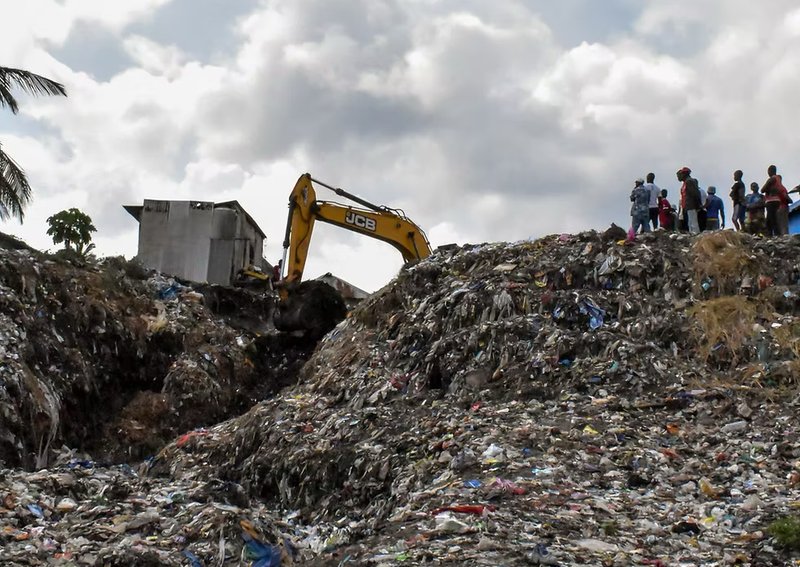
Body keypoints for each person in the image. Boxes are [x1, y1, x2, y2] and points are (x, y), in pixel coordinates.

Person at [677, 167, 702, 234]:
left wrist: (698, 204)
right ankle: (692, 234)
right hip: (687, 205)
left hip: (691, 205)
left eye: (682, 174)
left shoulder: (690, 181)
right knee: (690, 223)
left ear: (685, 174)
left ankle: (696, 235)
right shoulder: (685, 182)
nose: (680, 176)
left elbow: (695, 193)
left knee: (693, 222)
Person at [761, 165, 782, 236]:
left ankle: (776, 235)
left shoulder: (772, 179)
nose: (768, 173)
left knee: (772, 220)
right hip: (776, 200)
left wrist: (767, 188)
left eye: (768, 171)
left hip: (771, 201)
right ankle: (771, 235)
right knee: (770, 220)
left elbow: (762, 190)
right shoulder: (778, 178)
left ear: (771, 171)